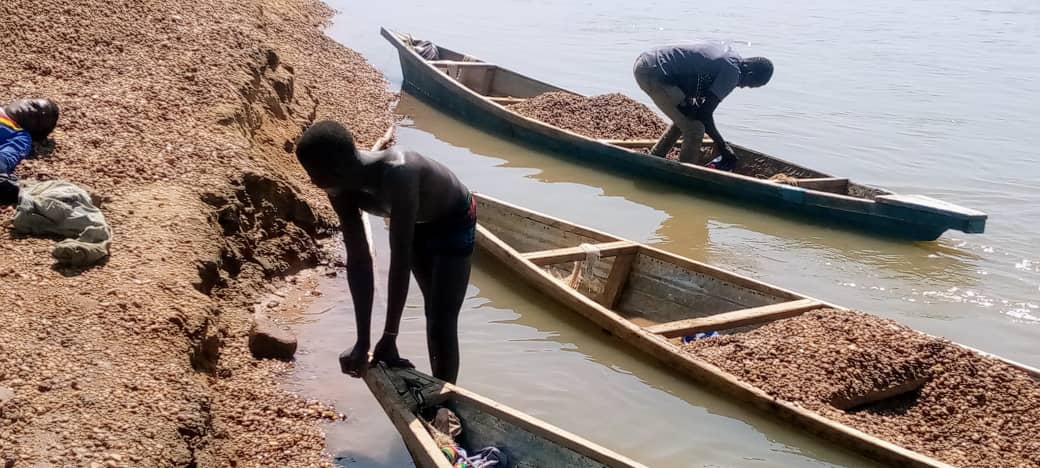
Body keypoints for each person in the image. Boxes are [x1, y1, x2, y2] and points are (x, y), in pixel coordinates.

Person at [295, 120, 475, 383]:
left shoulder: (400, 173)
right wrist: (363, 341)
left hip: (454, 220)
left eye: (313, 174)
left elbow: (399, 261)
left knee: (441, 317)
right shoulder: (340, 190)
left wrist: (389, 336)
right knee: (432, 309)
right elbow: (358, 260)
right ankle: (432, 383)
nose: (312, 181)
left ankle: (446, 399)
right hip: (418, 223)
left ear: (337, 169)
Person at [633, 43, 772, 170]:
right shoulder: (732, 73)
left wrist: (721, 143)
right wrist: (722, 146)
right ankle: (684, 176)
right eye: (748, 84)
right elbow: (705, 114)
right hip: (653, 72)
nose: (742, 87)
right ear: (750, 73)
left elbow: (699, 110)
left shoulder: (732, 59)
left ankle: (655, 157)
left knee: (688, 116)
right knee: (695, 129)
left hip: (651, 62)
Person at [0, 98, 60, 174]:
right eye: (34, 105)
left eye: (37, 119)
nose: (32, 111)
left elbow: (4, 159)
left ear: (35, 130)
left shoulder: (20, 136)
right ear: (23, 99)